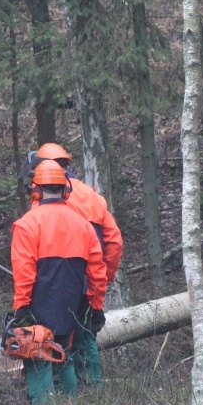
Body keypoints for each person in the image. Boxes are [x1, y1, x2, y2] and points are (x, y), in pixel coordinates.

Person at [10, 160, 108, 405]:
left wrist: (22, 308)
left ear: (36, 189)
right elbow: (97, 272)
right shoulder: (83, 225)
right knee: (62, 355)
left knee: (38, 360)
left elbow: (24, 271)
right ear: (65, 190)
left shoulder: (27, 224)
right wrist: (96, 307)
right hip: (71, 306)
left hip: (38, 308)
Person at [31, 143, 123, 389]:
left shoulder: (45, 197)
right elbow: (114, 241)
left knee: (55, 342)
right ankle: (93, 393)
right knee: (84, 337)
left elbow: (36, 246)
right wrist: (104, 279)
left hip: (57, 283)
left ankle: (61, 401)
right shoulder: (93, 197)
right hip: (88, 280)